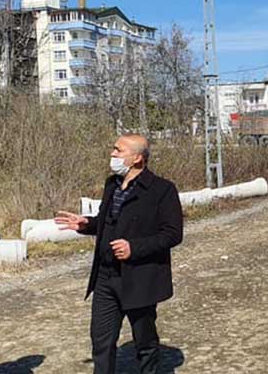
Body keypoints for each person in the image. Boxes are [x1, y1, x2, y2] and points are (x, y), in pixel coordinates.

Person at [55, 134, 183, 374]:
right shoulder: (112, 184)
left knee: (145, 343)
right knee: (101, 343)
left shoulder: (162, 190)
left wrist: (134, 248)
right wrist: (87, 225)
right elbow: (109, 222)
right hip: (106, 277)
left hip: (140, 278)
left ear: (137, 158)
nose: (112, 154)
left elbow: (173, 234)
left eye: (118, 150)